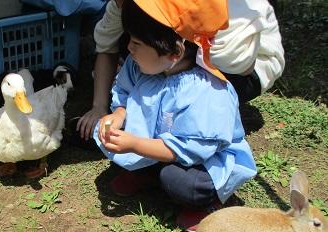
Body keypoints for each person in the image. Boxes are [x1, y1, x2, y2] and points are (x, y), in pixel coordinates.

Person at [94, 0, 257, 232]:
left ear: (175, 52)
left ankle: (212, 200)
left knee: (182, 183)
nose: (129, 48)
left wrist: (136, 144)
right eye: (130, 38)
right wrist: (119, 113)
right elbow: (125, 91)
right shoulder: (141, 65)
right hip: (156, 145)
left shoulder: (206, 91)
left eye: (137, 42)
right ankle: (149, 174)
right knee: (115, 132)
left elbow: (192, 148)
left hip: (202, 162)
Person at [76, 0, 285, 141]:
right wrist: (99, 107)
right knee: (138, 42)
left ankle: (184, 124)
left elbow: (242, 65)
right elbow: (106, 46)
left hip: (247, 68)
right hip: (183, 48)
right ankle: (159, 112)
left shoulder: (220, 30)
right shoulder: (122, 6)